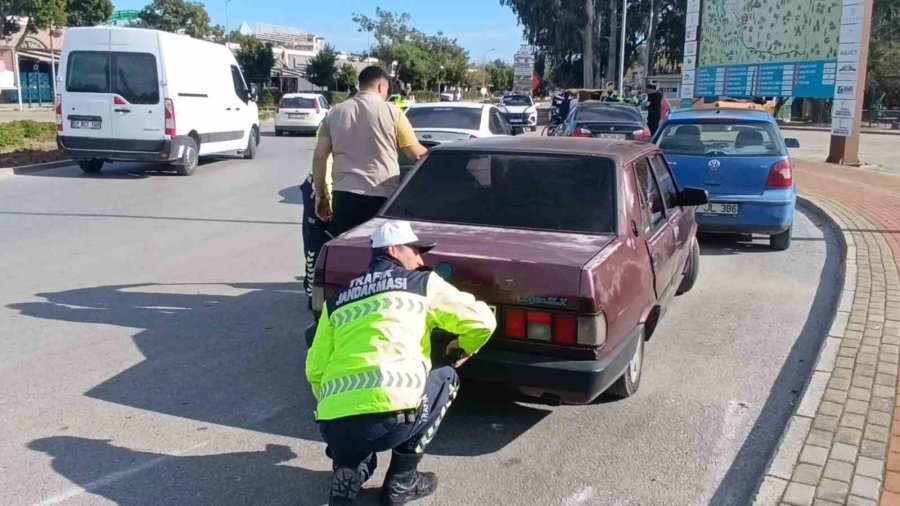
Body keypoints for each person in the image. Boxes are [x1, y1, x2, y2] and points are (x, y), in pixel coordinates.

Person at [307, 220, 497, 505]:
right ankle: (402, 481)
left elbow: (316, 370)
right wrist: (464, 346)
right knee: (447, 377)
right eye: (416, 251)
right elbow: (483, 321)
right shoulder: (421, 283)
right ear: (394, 250)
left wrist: (339, 409)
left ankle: (347, 470)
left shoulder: (339, 299)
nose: (420, 259)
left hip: (333, 426)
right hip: (394, 419)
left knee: (354, 418)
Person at [312, 66, 428, 236]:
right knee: (379, 252)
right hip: (382, 196)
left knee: (349, 251)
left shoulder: (335, 113)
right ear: (381, 86)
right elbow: (416, 155)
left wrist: (321, 197)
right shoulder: (393, 113)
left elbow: (319, 157)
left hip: (344, 196)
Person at [301, 124, 336, 309]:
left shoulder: (337, 117)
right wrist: (325, 195)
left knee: (317, 244)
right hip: (320, 186)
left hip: (329, 186)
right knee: (315, 246)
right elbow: (325, 160)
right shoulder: (334, 121)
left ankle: (314, 291)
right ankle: (312, 294)